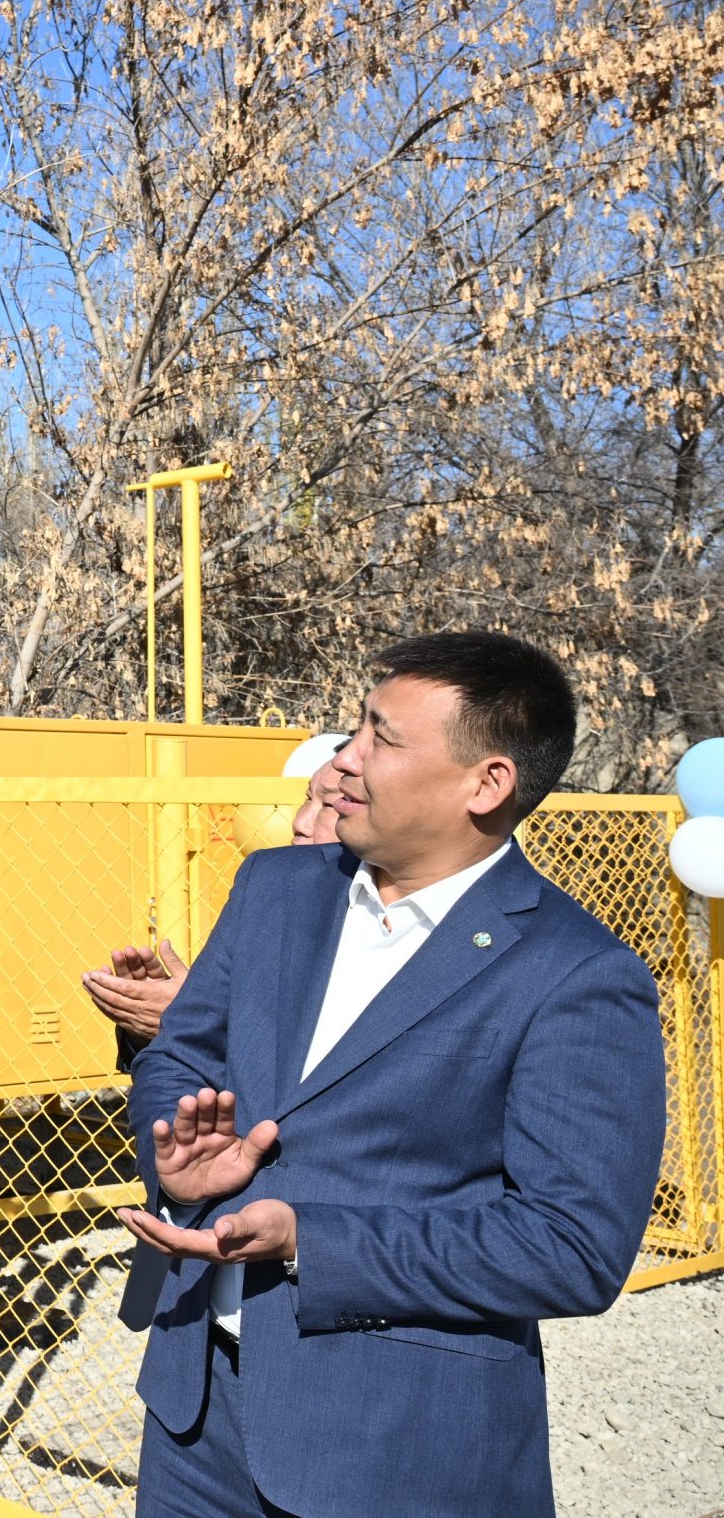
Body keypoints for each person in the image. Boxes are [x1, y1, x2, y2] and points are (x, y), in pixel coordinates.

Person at [115, 632, 666, 1517]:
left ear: (486, 783)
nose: (345, 759)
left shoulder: (576, 973)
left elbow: (571, 1246)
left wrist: (310, 1240)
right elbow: (181, 1050)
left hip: (393, 1449)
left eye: (383, 737)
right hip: (194, 1418)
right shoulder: (276, 887)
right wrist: (173, 1150)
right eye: (355, 728)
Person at [83, 758, 345, 1056]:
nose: (299, 822)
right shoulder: (263, 902)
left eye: (329, 805)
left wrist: (191, 1018)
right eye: (307, 798)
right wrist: (150, 1025)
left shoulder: (376, 923)